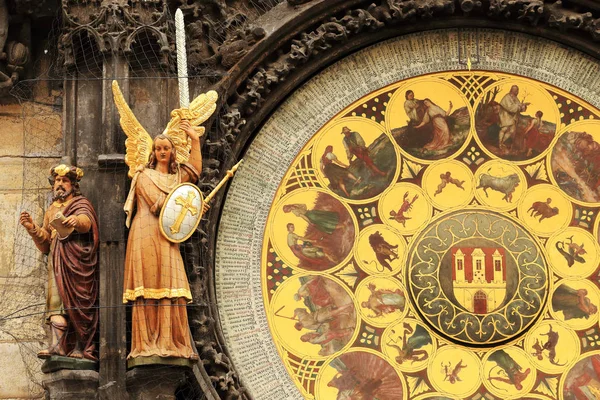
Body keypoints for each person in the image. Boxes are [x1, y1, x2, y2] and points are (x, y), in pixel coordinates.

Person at [123, 120, 206, 362]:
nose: (162, 151)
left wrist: (195, 140)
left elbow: (195, 171)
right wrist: (189, 202)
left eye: (166, 148)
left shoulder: (179, 175)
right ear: (153, 152)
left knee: (173, 286)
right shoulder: (144, 176)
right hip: (146, 232)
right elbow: (158, 206)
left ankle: (174, 343)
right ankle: (147, 344)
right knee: (148, 286)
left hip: (168, 236)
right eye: (158, 148)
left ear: (172, 152)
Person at [20, 164, 99, 361]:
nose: (60, 185)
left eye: (65, 181)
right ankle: (57, 347)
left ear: (73, 184)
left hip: (77, 261)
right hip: (56, 261)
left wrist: (75, 220)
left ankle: (82, 347)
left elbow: (87, 222)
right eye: (57, 181)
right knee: (56, 303)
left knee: (80, 303)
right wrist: (32, 228)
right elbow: (46, 243)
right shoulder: (51, 210)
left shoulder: (81, 203)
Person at [498, 85, 529, 150]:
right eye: (516, 90)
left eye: (517, 90)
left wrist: (523, 106)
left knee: (512, 131)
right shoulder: (507, 97)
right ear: (513, 90)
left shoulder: (515, 98)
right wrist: (520, 105)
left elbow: (518, 108)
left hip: (512, 117)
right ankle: (499, 143)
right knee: (504, 129)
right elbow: (511, 108)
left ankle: (502, 142)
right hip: (505, 115)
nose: (517, 92)